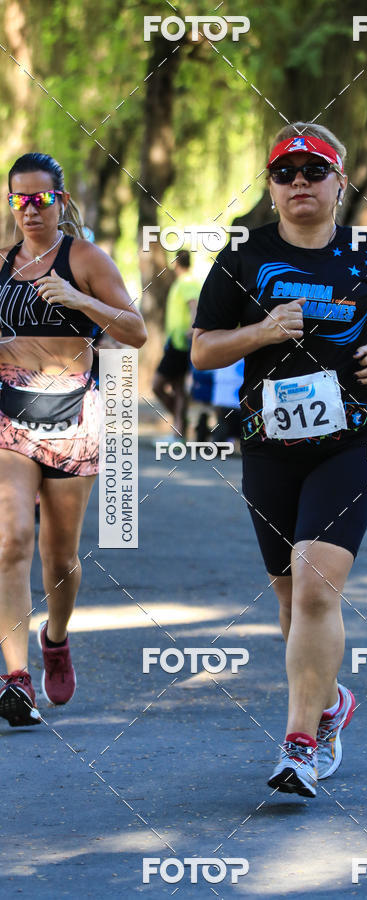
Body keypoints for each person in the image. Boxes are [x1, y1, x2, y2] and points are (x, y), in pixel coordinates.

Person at [191, 124, 367, 797]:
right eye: (285, 173)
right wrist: (261, 331)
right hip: (268, 445)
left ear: (338, 181)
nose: (299, 182)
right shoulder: (244, 256)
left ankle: (300, 743)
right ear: (272, 186)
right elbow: (202, 349)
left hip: (351, 439)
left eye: (314, 170)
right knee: (287, 598)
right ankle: (330, 703)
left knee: (313, 588)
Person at [0, 152, 146, 727]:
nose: (31, 209)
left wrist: (81, 299)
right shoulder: (3, 264)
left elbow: (133, 332)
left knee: (58, 557)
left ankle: (54, 638)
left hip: (73, 418)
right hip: (9, 417)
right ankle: (15, 679)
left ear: (60, 200)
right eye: (20, 199)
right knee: (10, 540)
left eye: (42, 198)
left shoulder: (84, 257)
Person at [152, 251, 202, 439]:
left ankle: (180, 424)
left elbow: (193, 305)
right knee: (179, 388)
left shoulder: (187, 282)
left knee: (158, 385)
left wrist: (193, 327)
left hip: (180, 343)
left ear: (175, 263)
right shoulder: (186, 282)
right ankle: (179, 428)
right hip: (176, 341)